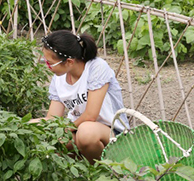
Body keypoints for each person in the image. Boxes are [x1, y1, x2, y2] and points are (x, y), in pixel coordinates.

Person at [40, 30, 128, 161]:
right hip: (77, 128)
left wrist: (65, 129)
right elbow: (53, 118)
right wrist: (26, 126)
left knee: (86, 133)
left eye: (50, 63)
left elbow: (90, 116)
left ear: (69, 62)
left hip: (112, 131)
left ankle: (103, 173)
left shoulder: (96, 68)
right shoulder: (58, 78)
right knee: (50, 140)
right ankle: (84, 166)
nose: (48, 67)